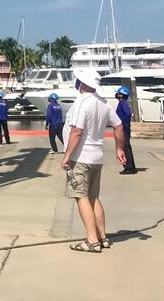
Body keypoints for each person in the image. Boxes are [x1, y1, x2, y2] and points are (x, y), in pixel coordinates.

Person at [61, 68, 128, 253]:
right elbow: (118, 125)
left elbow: (77, 131)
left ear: (82, 83)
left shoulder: (83, 102)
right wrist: (119, 149)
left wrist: (67, 156)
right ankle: (102, 237)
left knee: (81, 197)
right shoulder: (104, 103)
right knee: (93, 197)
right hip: (97, 157)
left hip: (81, 158)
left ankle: (91, 240)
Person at [114, 85, 137, 174]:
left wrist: (121, 123)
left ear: (122, 95)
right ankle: (131, 167)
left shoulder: (123, 103)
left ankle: (129, 168)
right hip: (124, 128)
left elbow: (128, 114)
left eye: (118, 93)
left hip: (124, 129)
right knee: (126, 147)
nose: (117, 94)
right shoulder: (122, 103)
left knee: (125, 147)